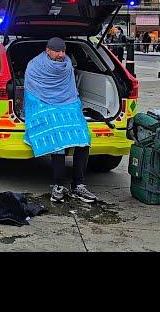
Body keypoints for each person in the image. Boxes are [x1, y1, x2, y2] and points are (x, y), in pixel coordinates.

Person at [23, 37, 97, 204]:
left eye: (63, 51)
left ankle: (78, 184)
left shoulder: (67, 64)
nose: (61, 55)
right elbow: (31, 91)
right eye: (57, 51)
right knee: (58, 139)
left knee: (83, 139)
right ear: (48, 50)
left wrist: (70, 105)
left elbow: (70, 89)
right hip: (43, 103)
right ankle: (58, 186)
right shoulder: (35, 65)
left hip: (68, 103)